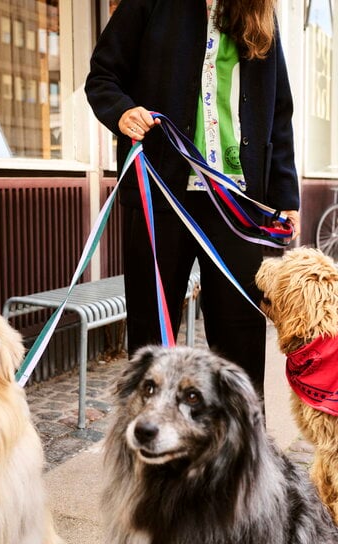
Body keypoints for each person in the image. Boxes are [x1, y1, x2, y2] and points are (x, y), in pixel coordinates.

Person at [85, 0, 300, 401]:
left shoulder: (260, 13)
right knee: (153, 331)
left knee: (241, 335)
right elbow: (103, 76)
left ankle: (241, 453)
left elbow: (279, 112)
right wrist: (122, 112)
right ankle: (151, 441)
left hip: (239, 203)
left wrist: (285, 196)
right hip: (161, 194)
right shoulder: (148, 5)